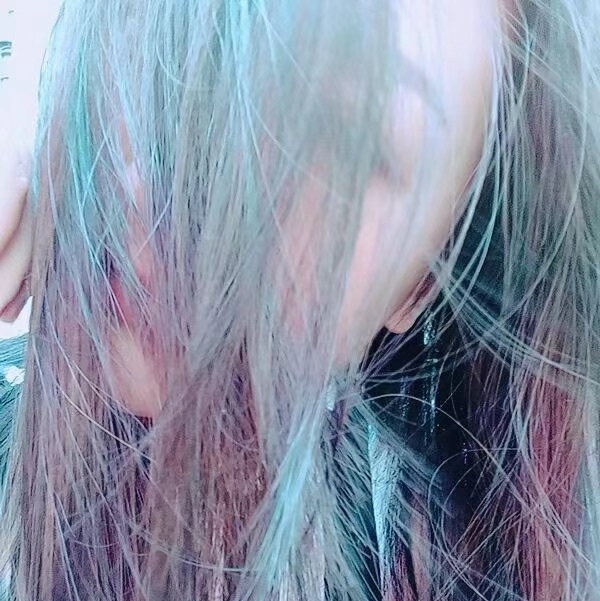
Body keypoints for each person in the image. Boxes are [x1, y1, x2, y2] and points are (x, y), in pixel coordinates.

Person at [1, 0, 599, 599]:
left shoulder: (430, 557)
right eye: (175, 33)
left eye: (344, 143)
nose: (160, 202)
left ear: (418, 287)